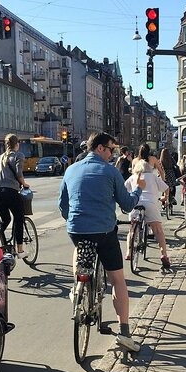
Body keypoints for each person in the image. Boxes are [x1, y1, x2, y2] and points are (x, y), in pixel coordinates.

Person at [58, 132, 145, 352]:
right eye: (111, 149)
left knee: (80, 247)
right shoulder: (110, 171)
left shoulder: (70, 170)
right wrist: (139, 189)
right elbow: (126, 205)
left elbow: (63, 206)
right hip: (104, 232)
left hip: (77, 230)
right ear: (99, 148)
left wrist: (75, 220)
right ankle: (124, 332)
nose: (113, 153)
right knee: (117, 279)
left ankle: (77, 285)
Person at [0, 134, 30, 258]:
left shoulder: (1, 157)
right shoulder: (18, 155)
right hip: (10, 192)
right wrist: (24, 184)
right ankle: (20, 250)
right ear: (17, 144)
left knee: (6, 219)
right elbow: (19, 173)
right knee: (19, 217)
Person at [124, 158, 171, 269]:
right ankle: (163, 254)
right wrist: (165, 197)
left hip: (135, 203)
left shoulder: (132, 177)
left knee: (132, 229)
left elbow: (124, 190)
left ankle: (129, 252)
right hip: (151, 204)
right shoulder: (153, 177)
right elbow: (166, 188)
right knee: (158, 230)